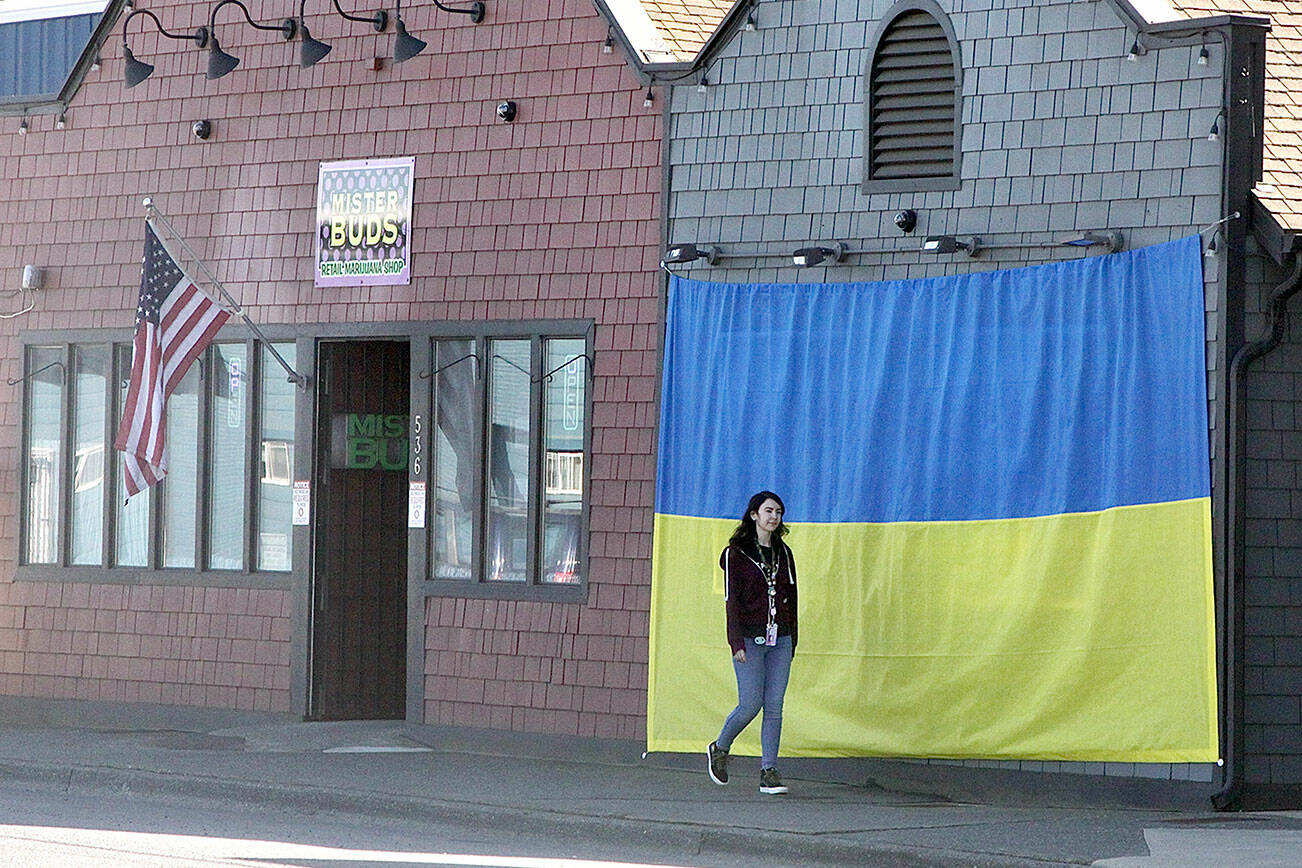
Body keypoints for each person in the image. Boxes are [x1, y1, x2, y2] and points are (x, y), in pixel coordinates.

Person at [707, 490, 798, 795]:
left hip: (780, 638)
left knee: (775, 705)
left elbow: (792, 598)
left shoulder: (784, 554)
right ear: (754, 515)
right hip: (749, 638)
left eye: (779, 513)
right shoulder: (737, 554)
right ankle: (720, 747)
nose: (775, 517)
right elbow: (732, 602)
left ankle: (768, 771)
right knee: (751, 703)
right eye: (769, 511)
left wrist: (792, 637)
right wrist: (736, 643)